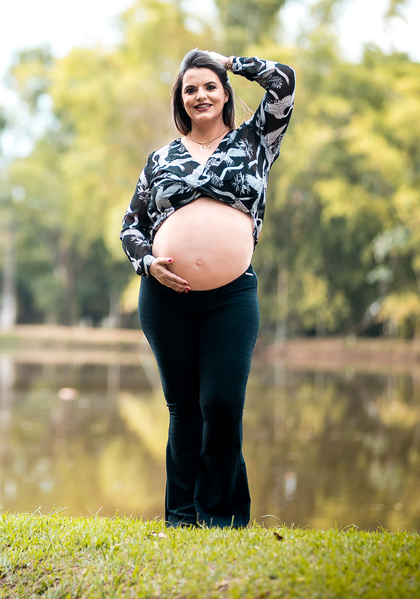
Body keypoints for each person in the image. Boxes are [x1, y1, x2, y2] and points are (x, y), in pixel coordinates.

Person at [119, 48, 295, 528]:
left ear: (225, 93)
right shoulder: (160, 158)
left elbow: (284, 82)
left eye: (209, 86)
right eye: (190, 88)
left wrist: (229, 60)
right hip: (166, 297)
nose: (200, 95)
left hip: (231, 297)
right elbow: (130, 227)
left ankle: (220, 515)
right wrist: (149, 263)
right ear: (181, 98)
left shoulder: (256, 141)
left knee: (221, 403)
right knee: (184, 408)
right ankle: (180, 516)